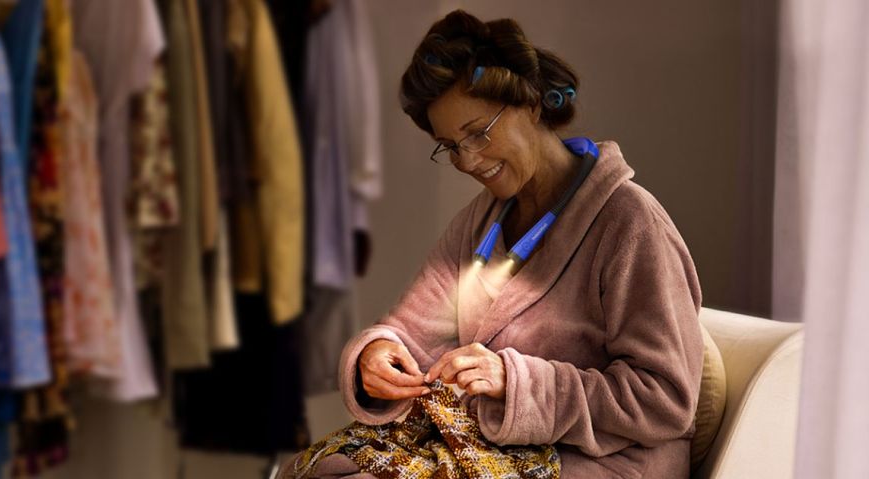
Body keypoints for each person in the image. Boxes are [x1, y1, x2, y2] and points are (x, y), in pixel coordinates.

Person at [282, 9, 703, 478]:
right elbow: (411, 331)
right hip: (490, 449)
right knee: (316, 470)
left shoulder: (630, 223)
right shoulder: (479, 222)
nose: (468, 160)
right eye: (450, 146)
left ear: (532, 104)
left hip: (608, 462)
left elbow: (666, 399)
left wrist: (516, 381)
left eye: (477, 133)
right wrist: (377, 356)